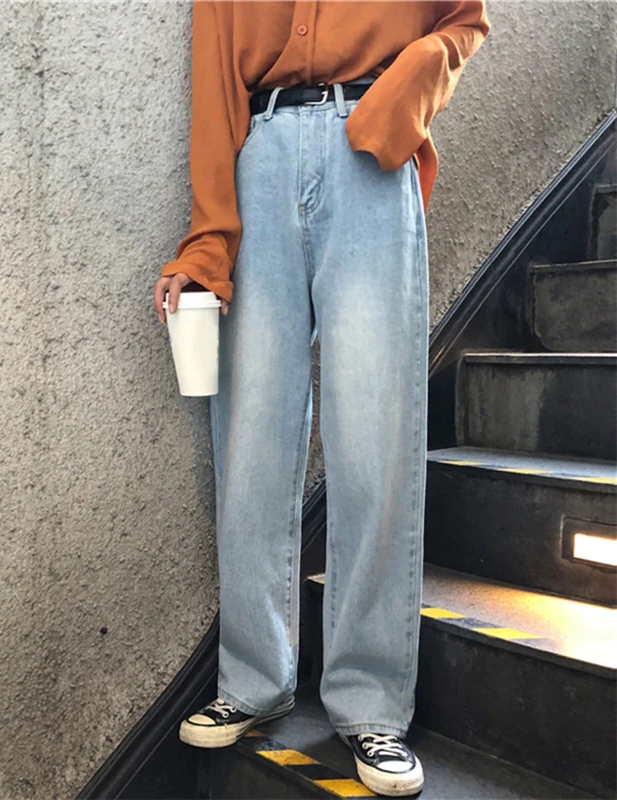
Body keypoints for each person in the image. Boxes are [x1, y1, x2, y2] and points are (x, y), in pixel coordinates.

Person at [152, 2, 490, 796]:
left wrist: (409, 84)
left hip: (370, 156)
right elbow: (216, 83)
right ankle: (253, 677)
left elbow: (466, 20)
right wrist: (207, 241)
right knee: (251, 441)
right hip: (261, 154)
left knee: (375, 437)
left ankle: (371, 701)